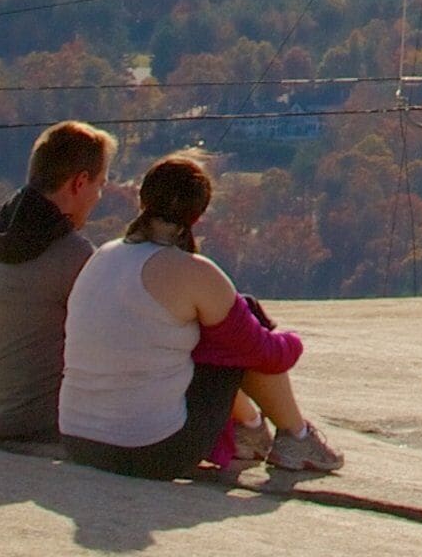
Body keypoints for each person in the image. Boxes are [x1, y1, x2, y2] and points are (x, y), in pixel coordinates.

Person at [58, 154, 345, 479]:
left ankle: (250, 428)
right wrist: (291, 341)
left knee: (218, 329)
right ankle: (296, 437)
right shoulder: (194, 272)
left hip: (77, 439)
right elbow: (262, 353)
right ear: (197, 214)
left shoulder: (102, 256)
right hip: (148, 451)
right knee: (244, 322)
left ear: (143, 199)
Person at [0, 119, 115, 442]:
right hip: (35, 422)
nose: (99, 196)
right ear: (79, 183)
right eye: (100, 184)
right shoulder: (72, 254)